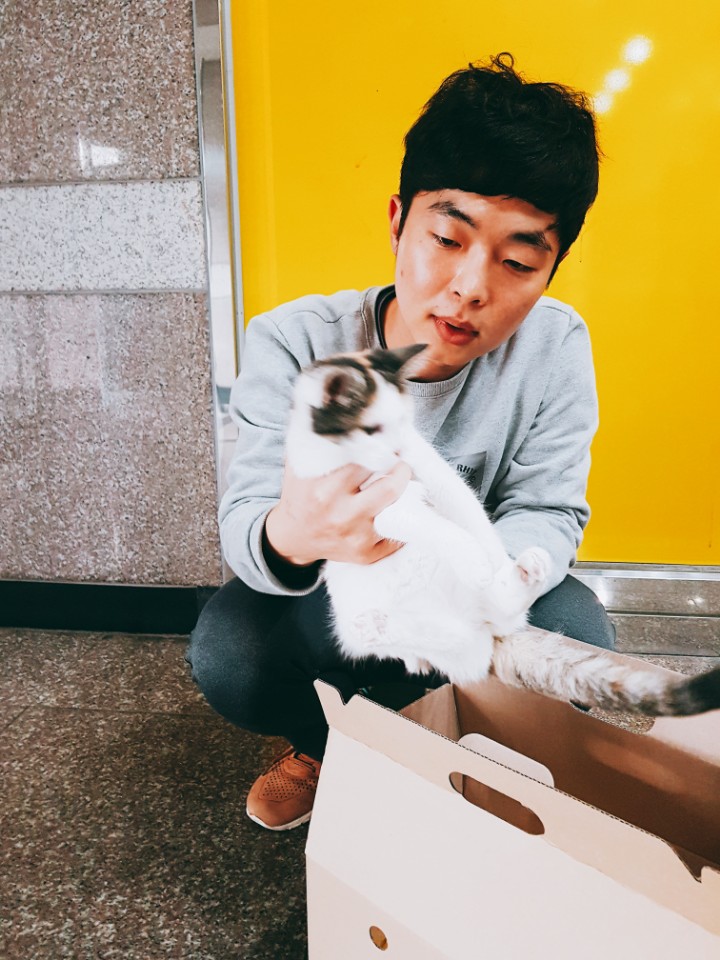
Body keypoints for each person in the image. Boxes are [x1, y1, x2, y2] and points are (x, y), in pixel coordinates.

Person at [187, 53, 615, 831]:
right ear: (396, 221)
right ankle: (325, 744)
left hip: (468, 590)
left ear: (550, 269)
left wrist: (484, 581)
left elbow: (551, 510)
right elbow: (247, 523)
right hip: (341, 596)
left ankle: (464, 755)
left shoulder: (556, 345)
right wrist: (296, 534)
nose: (471, 287)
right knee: (231, 651)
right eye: (447, 238)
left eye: (518, 261)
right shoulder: (294, 340)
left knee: (579, 632)